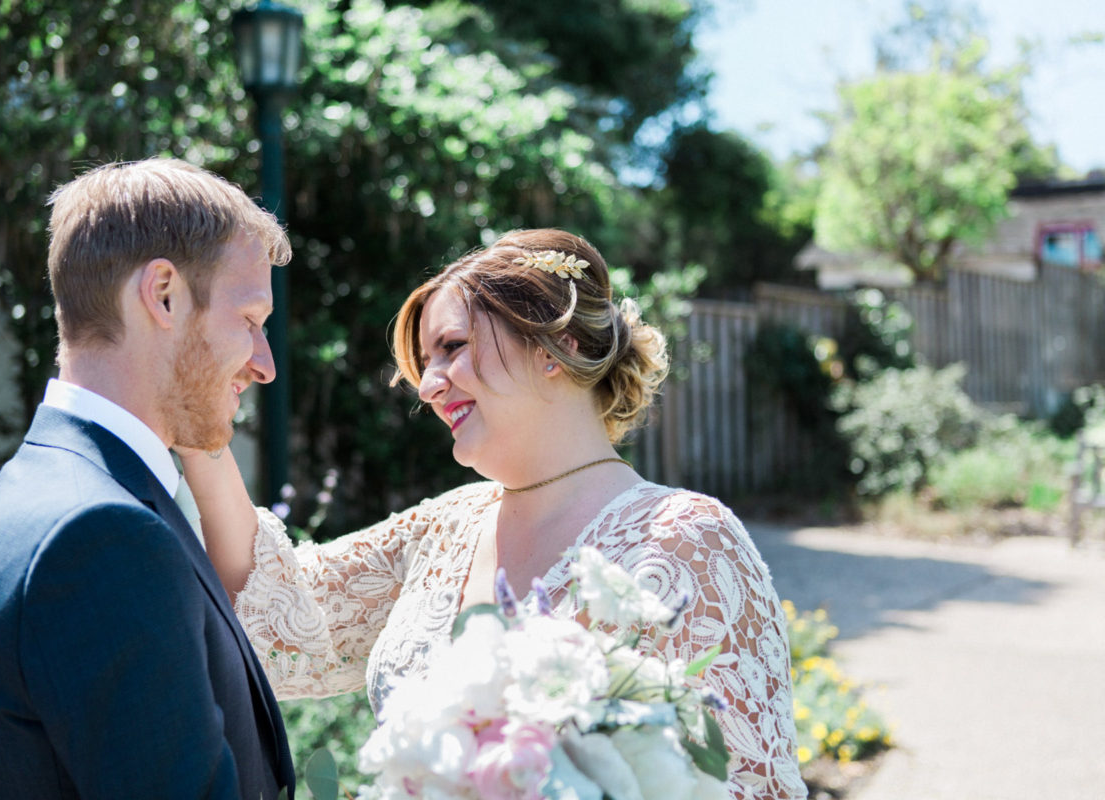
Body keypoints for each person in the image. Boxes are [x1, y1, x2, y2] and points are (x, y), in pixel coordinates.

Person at [184, 228, 806, 799]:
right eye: (426, 364)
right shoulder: (444, 527)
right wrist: (196, 423)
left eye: (451, 347)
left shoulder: (687, 541)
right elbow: (280, 611)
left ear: (554, 346)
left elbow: (749, 783)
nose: (428, 386)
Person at [0, 158, 296, 799]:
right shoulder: (101, 536)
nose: (265, 364)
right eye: (250, 320)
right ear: (163, 293)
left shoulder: (36, 490)